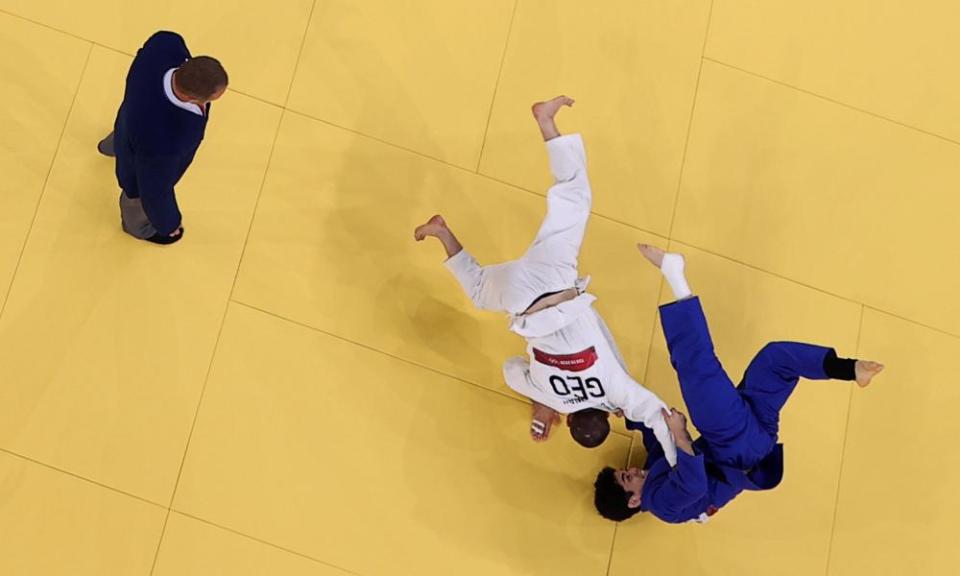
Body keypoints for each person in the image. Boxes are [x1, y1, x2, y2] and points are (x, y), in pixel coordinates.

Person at [414, 96, 676, 463]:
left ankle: (547, 122)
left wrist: (676, 452)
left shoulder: (618, 388)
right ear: (568, 423)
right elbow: (511, 369)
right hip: (519, 300)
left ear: (606, 414)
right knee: (477, 291)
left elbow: (657, 415)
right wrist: (545, 401)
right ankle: (440, 232)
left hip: (556, 280)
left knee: (574, 198)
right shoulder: (555, 399)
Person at [593, 244, 884, 523]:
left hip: (756, 439)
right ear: (633, 501)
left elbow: (654, 435)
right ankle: (675, 274)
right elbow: (693, 484)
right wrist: (681, 435)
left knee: (775, 360)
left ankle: (851, 369)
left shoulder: (654, 476)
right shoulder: (662, 506)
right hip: (734, 446)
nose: (631, 470)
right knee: (697, 371)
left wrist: (626, 412)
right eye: (626, 478)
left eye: (624, 471)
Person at [97, 31, 228, 245]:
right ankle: (136, 228)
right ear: (192, 98)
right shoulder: (169, 141)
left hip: (129, 119)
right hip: (139, 158)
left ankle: (108, 146)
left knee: (122, 136)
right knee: (135, 198)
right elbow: (154, 190)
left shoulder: (165, 43)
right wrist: (169, 223)